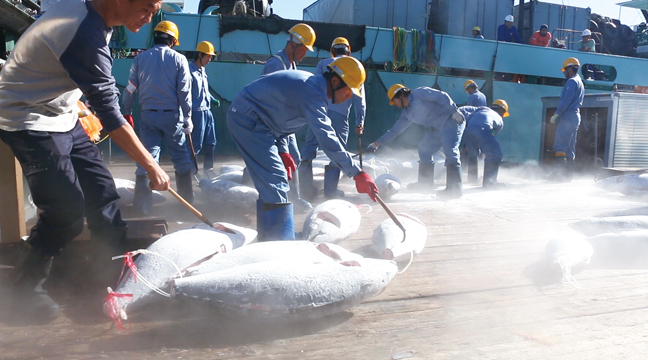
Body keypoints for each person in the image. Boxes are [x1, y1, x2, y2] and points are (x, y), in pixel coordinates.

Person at [0, 0, 169, 322]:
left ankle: (107, 282)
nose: (149, 18)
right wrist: (151, 164)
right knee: (65, 210)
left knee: (104, 195)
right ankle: (23, 290)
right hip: (26, 115)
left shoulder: (95, 19)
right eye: (146, 8)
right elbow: (109, 111)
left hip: (63, 113)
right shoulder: (85, 32)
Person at [227, 56, 378, 241]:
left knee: (277, 178)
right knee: (275, 180)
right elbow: (326, 136)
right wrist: (356, 173)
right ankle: (276, 241)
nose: (349, 97)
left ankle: (273, 234)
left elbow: (279, 116)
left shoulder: (313, 87)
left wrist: (282, 150)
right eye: (348, 91)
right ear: (336, 80)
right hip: (247, 119)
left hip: (260, 124)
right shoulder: (312, 92)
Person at [122, 20, 194, 214]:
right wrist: (188, 117)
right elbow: (184, 92)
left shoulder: (139, 59)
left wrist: (126, 112)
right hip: (173, 117)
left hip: (148, 116)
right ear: (172, 40)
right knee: (181, 159)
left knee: (147, 160)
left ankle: (142, 209)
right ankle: (187, 207)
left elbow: (130, 89)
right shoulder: (179, 60)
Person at [367, 85, 466, 199]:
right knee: (424, 149)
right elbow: (394, 131)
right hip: (437, 129)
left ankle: (455, 189)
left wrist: (454, 111)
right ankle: (425, 184)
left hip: (452, 121)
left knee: (450, 151)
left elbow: (442, 96)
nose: (395, 105)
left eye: (394, 101)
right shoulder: (407, 114)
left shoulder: (419, 93)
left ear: (401, 95)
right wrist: (376, 143)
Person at [299, 37, 366, 200]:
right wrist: (360, 121)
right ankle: (330, 192)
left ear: (333, 50)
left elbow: (315, 86)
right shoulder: (354, 68)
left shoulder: (324, 63)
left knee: (309, 149)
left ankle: (305, 190)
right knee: (338, 149)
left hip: (318, 112)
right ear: (348, 51)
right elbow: (359, 99)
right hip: (340, 115)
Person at [259, 23, 316, 212]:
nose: (305, 53)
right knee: (280, 159)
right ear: (293, 43)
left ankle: (293, 197)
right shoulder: (276, 63)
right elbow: (271, 101)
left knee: (294, 157)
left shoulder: (290, 64)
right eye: (304, 49)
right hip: (272, 123)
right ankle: (282, 198)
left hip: (284, 123)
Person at [548, 57, 584, 182]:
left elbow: (566, 101)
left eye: (565, 69)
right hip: (575, 116)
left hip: (568, 116)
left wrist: (557, 114)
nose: (563, 72)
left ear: (570, 69)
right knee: (570, 148)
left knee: (560, 146)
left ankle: (558, 176)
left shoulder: (571, 82)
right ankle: (568, 177)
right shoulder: (580, 81)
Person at [189, 40, 220, 180]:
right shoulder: (189, 71)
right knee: (196, 144)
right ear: (200, 55)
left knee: (211, 141)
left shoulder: (202, 70)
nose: (209, 59)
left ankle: (208, 169)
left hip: (207, 110)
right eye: (208, 56)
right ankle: (191, 171)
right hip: (196, 112)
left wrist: (211, 98)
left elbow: (204, 90)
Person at [461, 100, 510, 187]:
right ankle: (490, 182)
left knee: (473, 154)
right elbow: (490, 135)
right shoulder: (499, 120)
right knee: (495, 154)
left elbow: (467, 116)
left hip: (468, 129)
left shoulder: (481, 109)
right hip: (484, 128)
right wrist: (486, 150)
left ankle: (472, 178)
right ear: (502, 110)